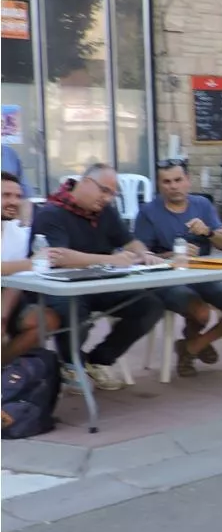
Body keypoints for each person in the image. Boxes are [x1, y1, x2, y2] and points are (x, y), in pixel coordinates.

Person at [25, 164, 167, 390]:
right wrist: (111, 260)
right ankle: (71, 363)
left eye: (112, 194)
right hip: (59, 286)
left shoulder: (105, 212)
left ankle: (98, 360)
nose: (107, 198)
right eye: (104, 190)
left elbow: (128, 241)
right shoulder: (52, 212)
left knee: (150, 306)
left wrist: (145, 254)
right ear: (86, 182)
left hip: (100, 282)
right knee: (75, 312)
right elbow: (58, 257)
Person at [133, 160, 222, 376]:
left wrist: (208, 232)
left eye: (178, 180)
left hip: (204, 274)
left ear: (188, 181)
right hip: (167, 279)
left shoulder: (202, 204)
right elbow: (139, 256)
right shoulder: (148, 212)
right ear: (159, 185)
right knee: (200, 312)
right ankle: (192, 346)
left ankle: (193, 345)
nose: (173, 186)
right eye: (167, 182)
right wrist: (172, 255)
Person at [0, 171, 55, 367]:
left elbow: (19, 276)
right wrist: (30, 263)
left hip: (9, 298)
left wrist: (3, 314)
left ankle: (4, 366)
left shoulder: (17, 232)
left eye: (18, 196)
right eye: (6, 195)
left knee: (47, 320)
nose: (14, 202)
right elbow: (29, 264)